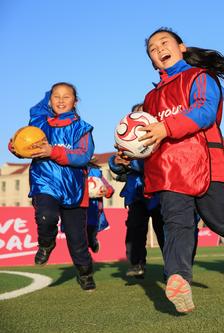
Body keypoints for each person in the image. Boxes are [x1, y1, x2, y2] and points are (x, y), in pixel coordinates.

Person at [138, 27, 224, 313]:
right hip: (170, 169)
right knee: (177, 225)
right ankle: (179, 280)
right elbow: (145, 137)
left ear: (181, 47)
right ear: (152, 61)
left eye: (164, 43)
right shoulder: (150, 98)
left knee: (215, 218)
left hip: (205, 162)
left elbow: (205, 112)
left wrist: (166, 126)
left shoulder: (200, 78)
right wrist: (131, 147)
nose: (159, 49)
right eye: (152, 49)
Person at [8, 82, 96, 291]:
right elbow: (22, 144)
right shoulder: (38, 121)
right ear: (49, 100)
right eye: (56, 96)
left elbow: (83, 156)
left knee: (77, 242)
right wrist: (16, 148)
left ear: (75, 101)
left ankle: (85, 273)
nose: (60, 100)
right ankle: (46, 243)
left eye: (67, 96)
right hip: (44, 182)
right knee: (45, 216)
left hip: (74, 190)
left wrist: (53, 151)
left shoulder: (82, 128)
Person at [109, 105, 165, 279]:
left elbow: (153, 164)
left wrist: (132, 163)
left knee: (163, 230)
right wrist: (117, 162)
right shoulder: (127, 142)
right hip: (136, 194)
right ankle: (136, 264)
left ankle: (173, 268)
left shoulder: (159, 142)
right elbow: (117, 164)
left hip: (158, 193)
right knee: (134, 228)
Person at [86, 159, 114, 253]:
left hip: (93, 209)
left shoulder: (96, 172)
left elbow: (108, 188)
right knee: (77, 236)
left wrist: (107, 191)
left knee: (90, 232)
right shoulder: (69, 170)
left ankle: (93, 242)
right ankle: (83, 262)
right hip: (75, 208)